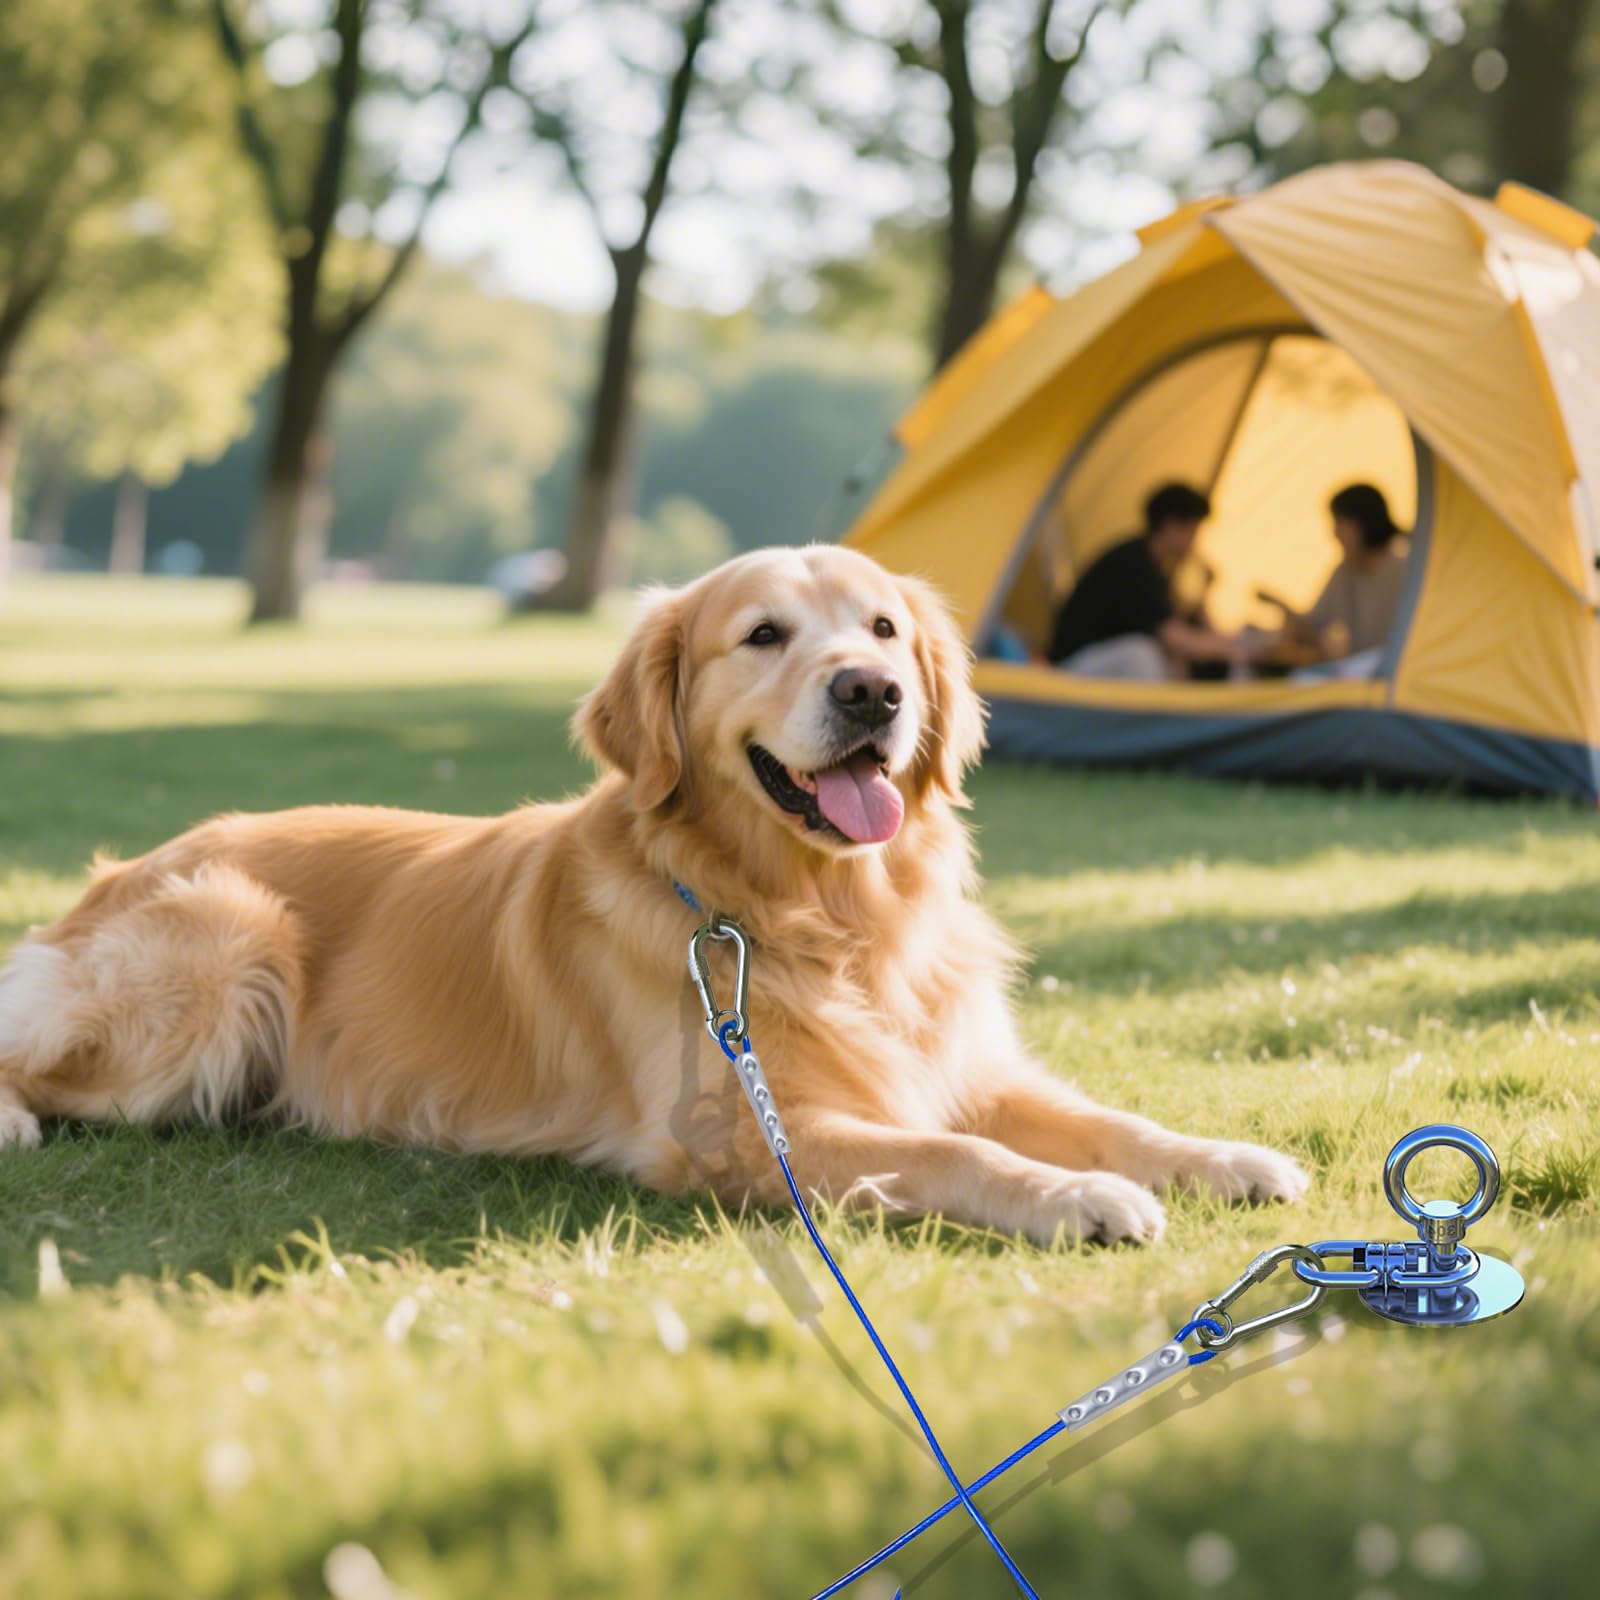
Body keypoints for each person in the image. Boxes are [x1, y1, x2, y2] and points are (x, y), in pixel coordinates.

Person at [1048, 482, 1250, 680]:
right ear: (1170, 525)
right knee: (1143, 655)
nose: (1194, 541)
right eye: (1192, 530)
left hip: (1100, 663)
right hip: (1072, 667)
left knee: (1166, 660)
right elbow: (1176, 638)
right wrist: (1232, 649)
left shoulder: (1157, 568)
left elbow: (1180, 628)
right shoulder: (1134, 564)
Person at [1260, 483, 1407, 669]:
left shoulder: (1406, 568)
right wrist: (1279, 605)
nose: (1335, 534)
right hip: (1362, 676)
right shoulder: (1345, 572)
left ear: (1363, 523)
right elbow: (1314, 627)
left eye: (1340, 524)